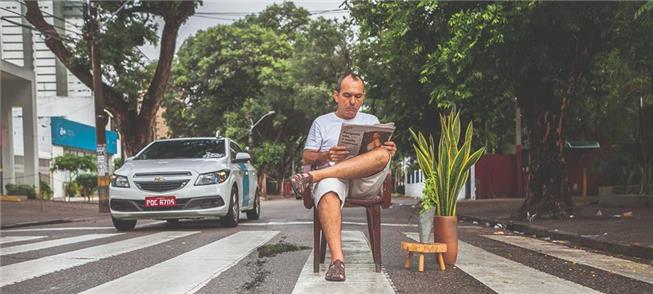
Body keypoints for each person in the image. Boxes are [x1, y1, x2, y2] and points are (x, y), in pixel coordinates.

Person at [291, 72, 397, 282]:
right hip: (335, 181)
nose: (352, 101)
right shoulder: (321, 122)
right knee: (328, 186)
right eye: (347, 95)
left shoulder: (372, 121)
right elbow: (307, 155)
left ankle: (312, 176)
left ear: (363, 97)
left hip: (364, 182)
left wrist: (389, 150)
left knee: (383, 154)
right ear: (336, 95)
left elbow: (379, 156)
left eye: (358, 96)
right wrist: (326, 155)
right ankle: (338, 262)